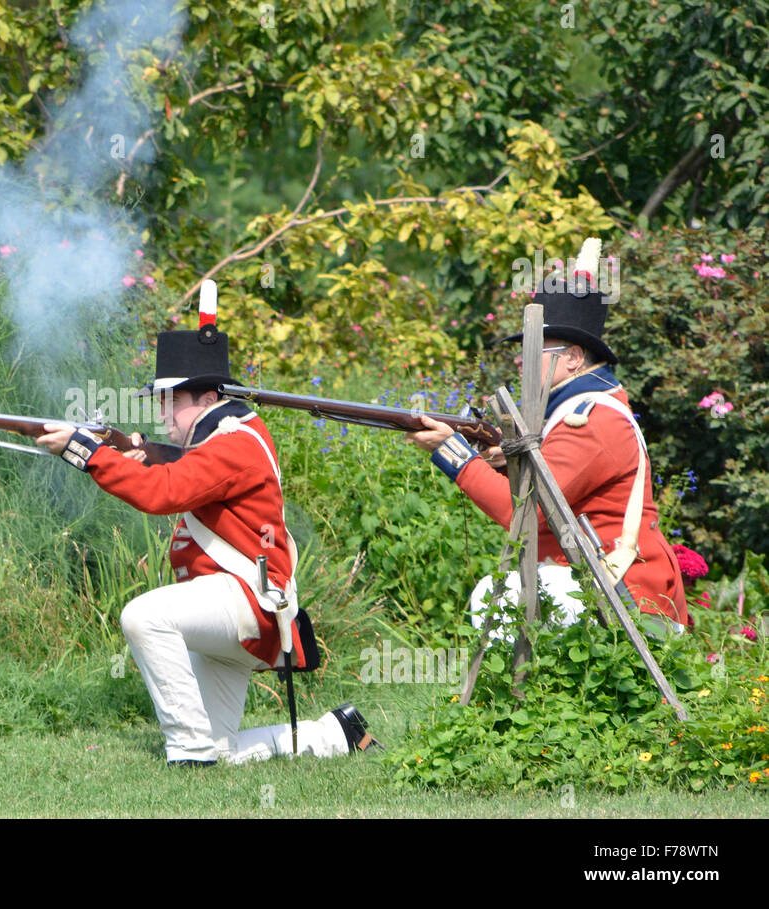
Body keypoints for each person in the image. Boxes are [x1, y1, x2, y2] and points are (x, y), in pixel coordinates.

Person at [36, 284, 378, 765]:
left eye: (171, 399)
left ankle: (187, 753)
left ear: (209, 396)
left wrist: (86, 451)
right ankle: (333, 736)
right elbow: (177, 476)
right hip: (225, 609)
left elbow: (164, 493)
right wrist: (131, 455)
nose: (161, 412)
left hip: (247, 604)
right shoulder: (218, 441)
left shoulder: (234, 442)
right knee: (227, 751)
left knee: (143, 616)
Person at [406, 239, 689, 639]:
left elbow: (519, 514)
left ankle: (509, 701)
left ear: (572, 357)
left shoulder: (590, 419)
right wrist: (503, 461)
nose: (523, 360)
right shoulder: (573, 411)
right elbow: (549, 487)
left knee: (498, 595)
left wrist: (452, 453)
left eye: (534, 347)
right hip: (599, 584)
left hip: (630, 595)